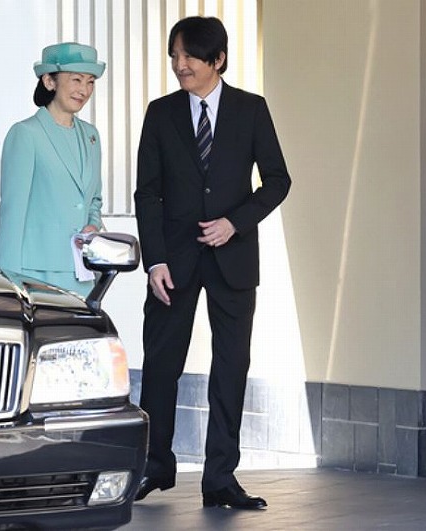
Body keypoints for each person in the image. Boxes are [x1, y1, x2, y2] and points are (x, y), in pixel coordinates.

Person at [133, 16, 291, 509]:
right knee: (161, 365)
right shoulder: (160, 113)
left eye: (189, 56)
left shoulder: (250, 109)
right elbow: (147, 193)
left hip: (233, 259)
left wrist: (235, 223)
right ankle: (154, 465)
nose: (180, 65)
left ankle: (220, 478)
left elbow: (278, 180)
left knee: (230, 368)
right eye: (174, 56)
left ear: (217, 59)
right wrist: (155, 260)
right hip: (173, 263)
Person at [0, 43, 105, 296]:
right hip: (35, 274)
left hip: (81, 272)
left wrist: (93, 225)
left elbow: (94, 199)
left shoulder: (91, 136)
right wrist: (7, 280)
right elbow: (12, 212)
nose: (84, 90)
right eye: (76, 79)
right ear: (49, 81)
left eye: (90, 82)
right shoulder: (25, 134)